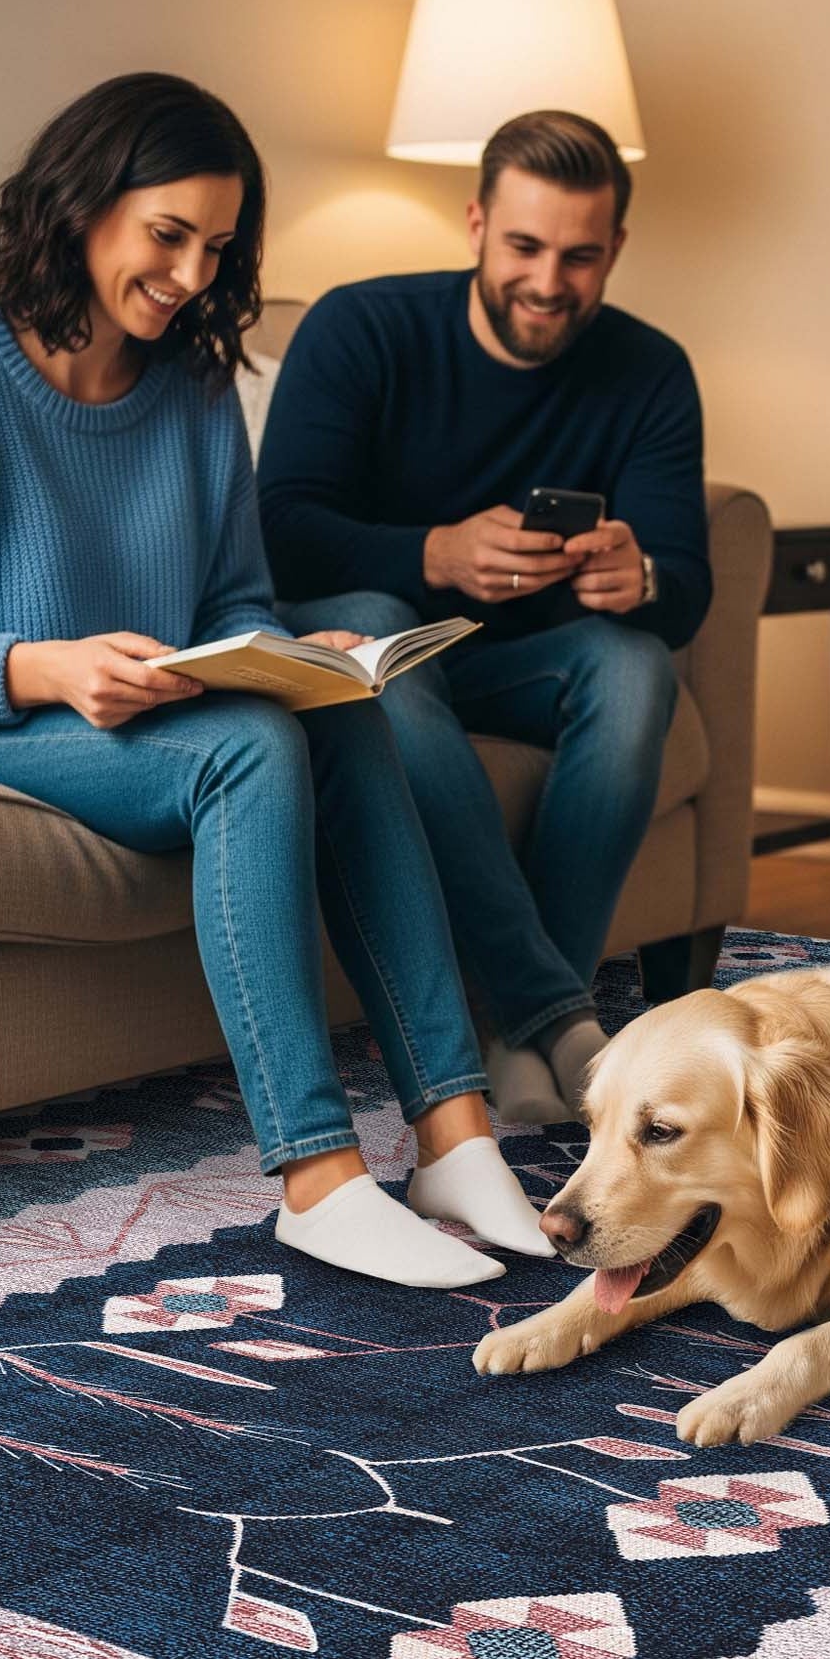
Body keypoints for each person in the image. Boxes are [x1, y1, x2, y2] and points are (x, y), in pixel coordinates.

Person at [0, 73, 555, 1289]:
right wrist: (43, 665)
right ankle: (317, 1177)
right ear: (82, 205)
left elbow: (233, 597)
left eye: (218, 247)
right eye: (168, 234)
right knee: (250, 749)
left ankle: (454, 1133)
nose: (190, 275)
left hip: (142, 712)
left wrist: (286, 655)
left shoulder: (191, 383)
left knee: (334, 714)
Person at [257, 110, 711, 1124]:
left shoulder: (649, 370)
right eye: (524, 247)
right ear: (474, 225)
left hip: (516, 664)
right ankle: (555, 1015)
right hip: (371, 642)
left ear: (615, 248)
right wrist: (434, 551)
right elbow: (278, 530)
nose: (548, 282)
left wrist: (640, 576)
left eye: (580, 257)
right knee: (380, 621)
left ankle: (515, 1029)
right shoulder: (361, 327)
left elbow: (686, 583)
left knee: (635, 663)